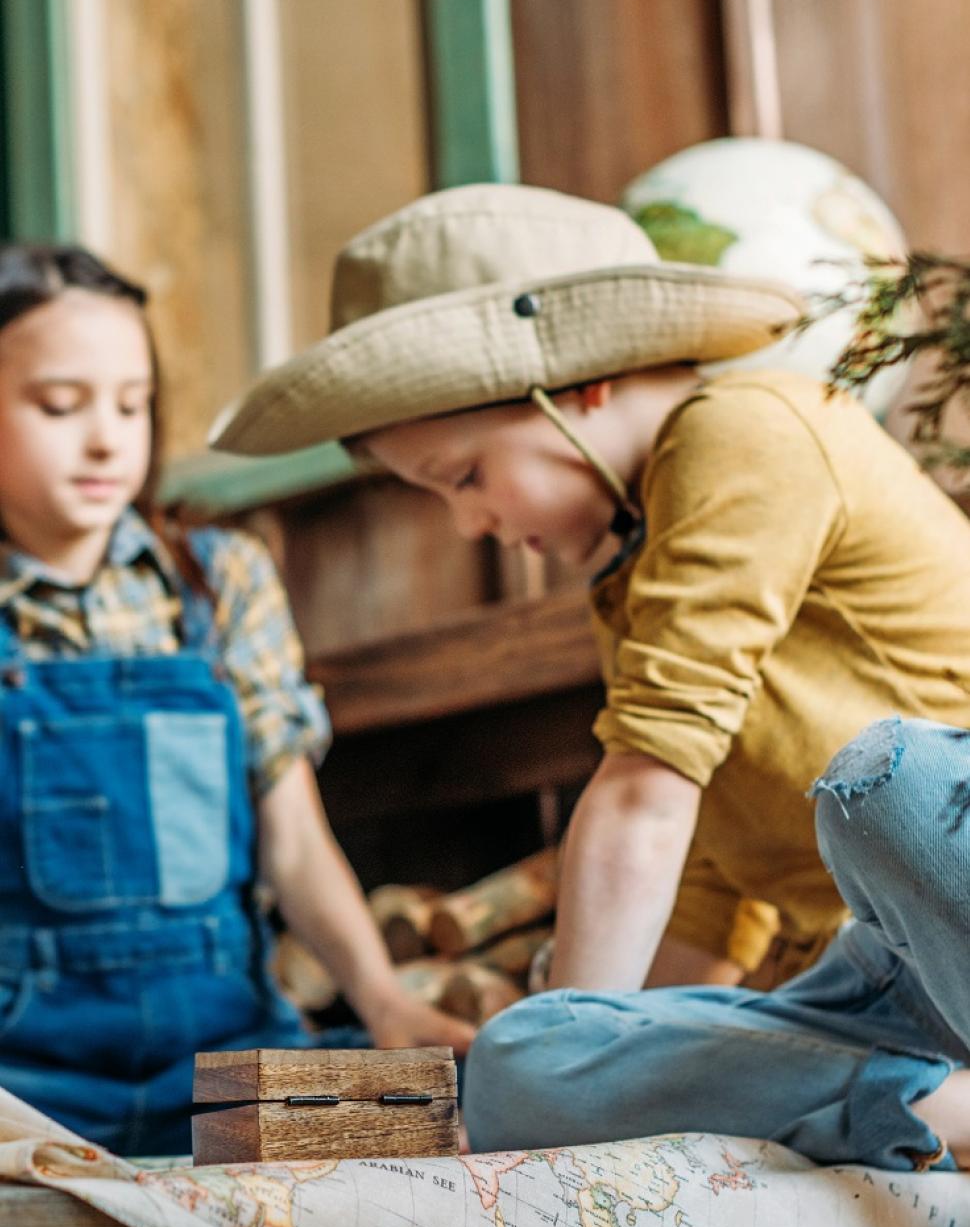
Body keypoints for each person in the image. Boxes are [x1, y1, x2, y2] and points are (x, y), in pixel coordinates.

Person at [210, 183, 970, 1168]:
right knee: (517, 1058)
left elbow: (648, 797)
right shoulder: (630, 579)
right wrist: (569, 1065)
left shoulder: (743, 423)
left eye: (464, 476)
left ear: (578, 382)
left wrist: (581, 1027)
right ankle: (931, 1111)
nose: (469, 524)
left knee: (888, 782)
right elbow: (699, 888)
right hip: (891, 987)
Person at [0, 244, 473, 1157]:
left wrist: (381, 998)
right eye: (61, 406)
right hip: (23, 1085)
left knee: (444, 1116)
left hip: (225, 1073)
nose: (107, 439)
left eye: (132, 405)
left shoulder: (221, 583)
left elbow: (294, 842)